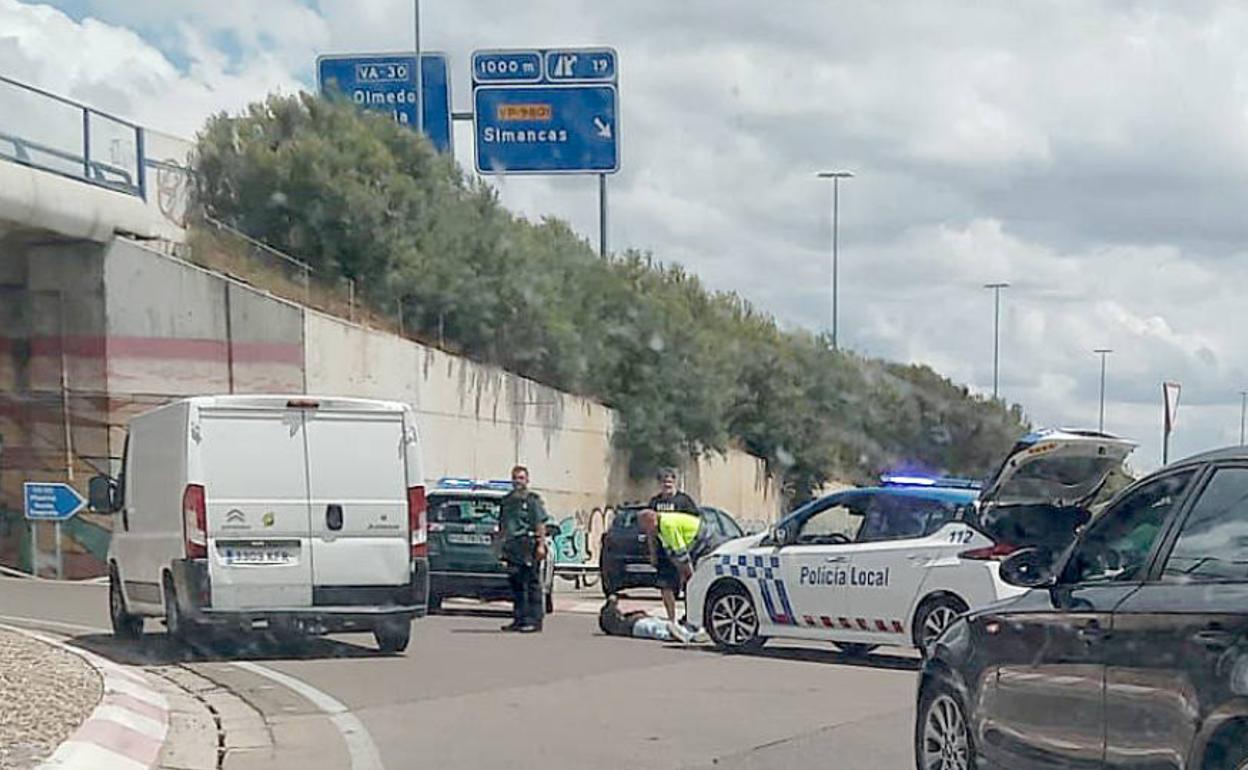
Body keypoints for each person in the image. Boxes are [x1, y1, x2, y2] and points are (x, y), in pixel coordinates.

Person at [498, 464, 549, 633]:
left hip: (529, 544)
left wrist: (541, 546)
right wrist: (500, 546)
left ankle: (534, 621)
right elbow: (503, 525)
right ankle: (518, 619)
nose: (518, 481)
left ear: (527, 480)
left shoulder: (532, 501)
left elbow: (540, 524)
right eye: (515, 478)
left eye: (521, 478)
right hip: (513, 546)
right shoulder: (507, 501)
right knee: (516, 584)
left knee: (532, 583)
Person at [646, 468, 700, 623]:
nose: (667, 484)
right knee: (666, 586)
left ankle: (690, 617)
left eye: (670, 481)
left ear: (675, 482)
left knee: (689, 585)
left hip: (684, 551)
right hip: (664, 552)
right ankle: (671, 619)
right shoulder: (655, 503)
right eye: (664, 481)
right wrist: (652, 553)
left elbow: (695, 525)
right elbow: (651, 531)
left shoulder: (684, 501)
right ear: (660, 484)